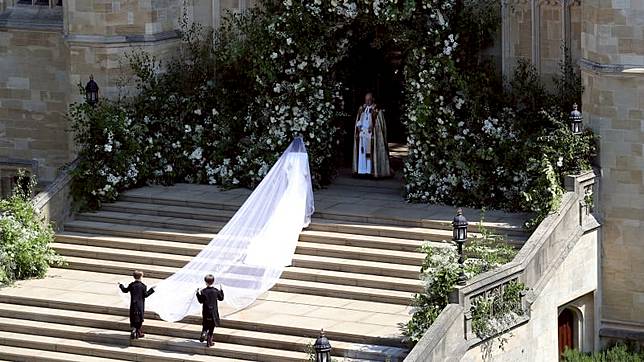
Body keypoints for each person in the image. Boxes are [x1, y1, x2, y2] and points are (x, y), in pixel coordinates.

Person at [352, 92, 391, 178]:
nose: (368, 101)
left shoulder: (377, 110)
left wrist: (373, 128)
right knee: (362, 152)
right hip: (362, 134)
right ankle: (362, 171)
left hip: (371, 135)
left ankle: (370, 171)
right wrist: (358, 126)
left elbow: (380, 126)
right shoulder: (362, 108)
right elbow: (359, 119)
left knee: (369, 153)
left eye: (369, 99)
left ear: (373, 99)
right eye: (366, 100)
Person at [119, 271, 155, 339]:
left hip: (133, 304)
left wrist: (121, 285)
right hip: (140, 305)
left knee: (134, 317)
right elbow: (146, 295)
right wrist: (152, 289)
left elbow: (125, 290)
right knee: (139, 318)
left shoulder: (132, 285)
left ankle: (136, 331)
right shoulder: (143, 286)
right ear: (141, 277)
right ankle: (136, 331)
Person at [196, 274, 225, 347]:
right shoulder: (216, 291)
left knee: (205, 324)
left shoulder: (203, 291)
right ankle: (209, 342)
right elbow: (221, 298)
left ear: (205, 282)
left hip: (206, 311)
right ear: (213, 282)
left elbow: (200, 301)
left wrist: (197, 293)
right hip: (213, 312)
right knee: (211, 327)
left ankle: (203, 333)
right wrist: (221, 290)